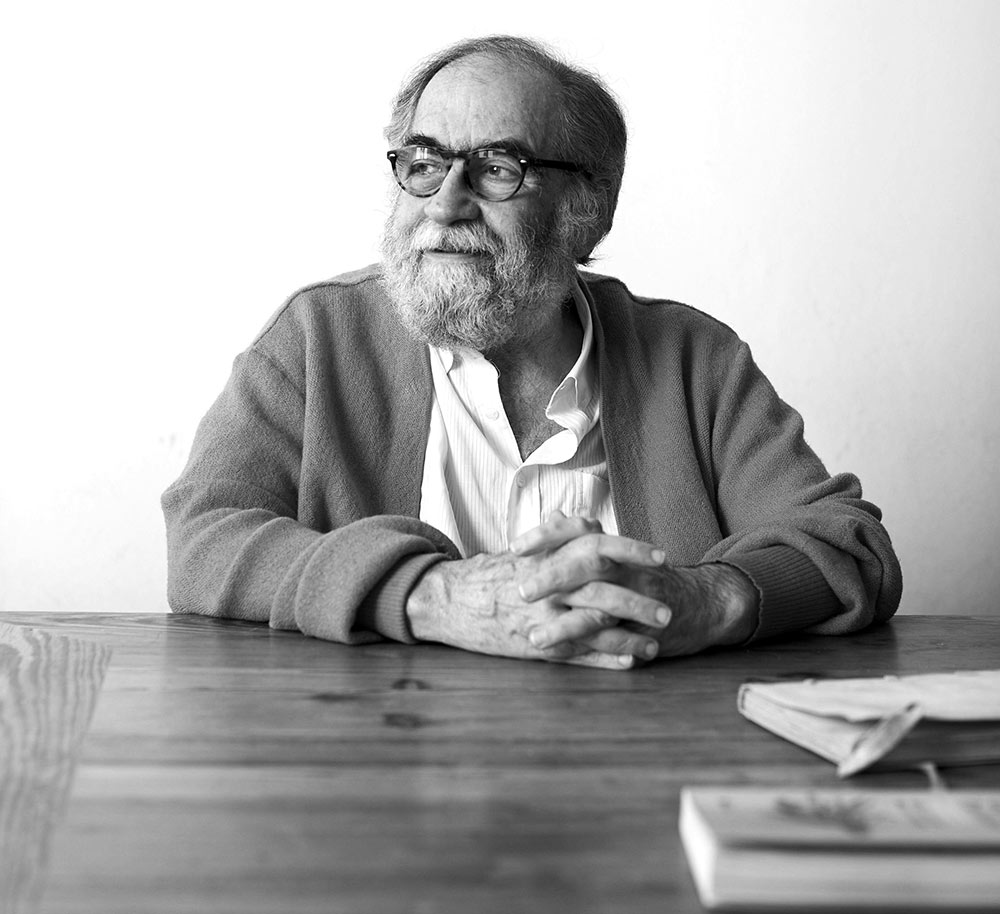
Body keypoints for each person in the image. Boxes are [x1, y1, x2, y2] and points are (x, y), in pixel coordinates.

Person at [162, 35, 902, 670]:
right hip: (382, 760)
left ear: (587, 209)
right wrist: (426, 594)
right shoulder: (315, 337)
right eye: (424, 162)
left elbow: (851, 548)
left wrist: (705, 599)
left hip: (650, 760)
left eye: (496, 168)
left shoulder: (693, 359)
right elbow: (203, 538)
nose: (445, 202)